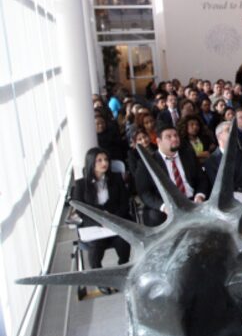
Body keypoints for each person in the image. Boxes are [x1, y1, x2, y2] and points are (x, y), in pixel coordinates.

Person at [72, 148, 133, 291]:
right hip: (95, 226)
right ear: (91, 163)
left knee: (123, 241)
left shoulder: (116, 178)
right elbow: (80, 210)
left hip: (115, 222)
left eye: (106, 159)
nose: (104, 163)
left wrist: (113, 219)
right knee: (95, 247)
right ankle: (100, 279)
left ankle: (122, 273)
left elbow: (125, 202)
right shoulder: (81, 185)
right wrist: (99, 222)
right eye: (99, 160)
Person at [134, 123, 209, 226]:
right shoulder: (147, 162)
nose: (174, 139)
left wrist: (200, 195)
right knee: (154, 217)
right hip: (167, 205)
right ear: (158, 141)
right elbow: (145, 193)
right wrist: (164, 206)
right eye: (169, 137)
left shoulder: (188, 154)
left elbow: (202, 179)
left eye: (176, 135)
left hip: (192, 200)